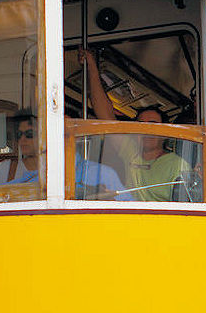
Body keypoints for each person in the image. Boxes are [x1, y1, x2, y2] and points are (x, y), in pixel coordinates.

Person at [78, 48, 193, 202]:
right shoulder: (131, 152)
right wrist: (91, 66)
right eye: (140, 126)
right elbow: (105, 117)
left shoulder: (178, 165)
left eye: (152, 126)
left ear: (165, 134)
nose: (146, 131)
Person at [0, 111, 40, 185]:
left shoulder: (54, 168)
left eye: (29, 133)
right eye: (19, 135)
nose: (22, 139)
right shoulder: (8, 168)